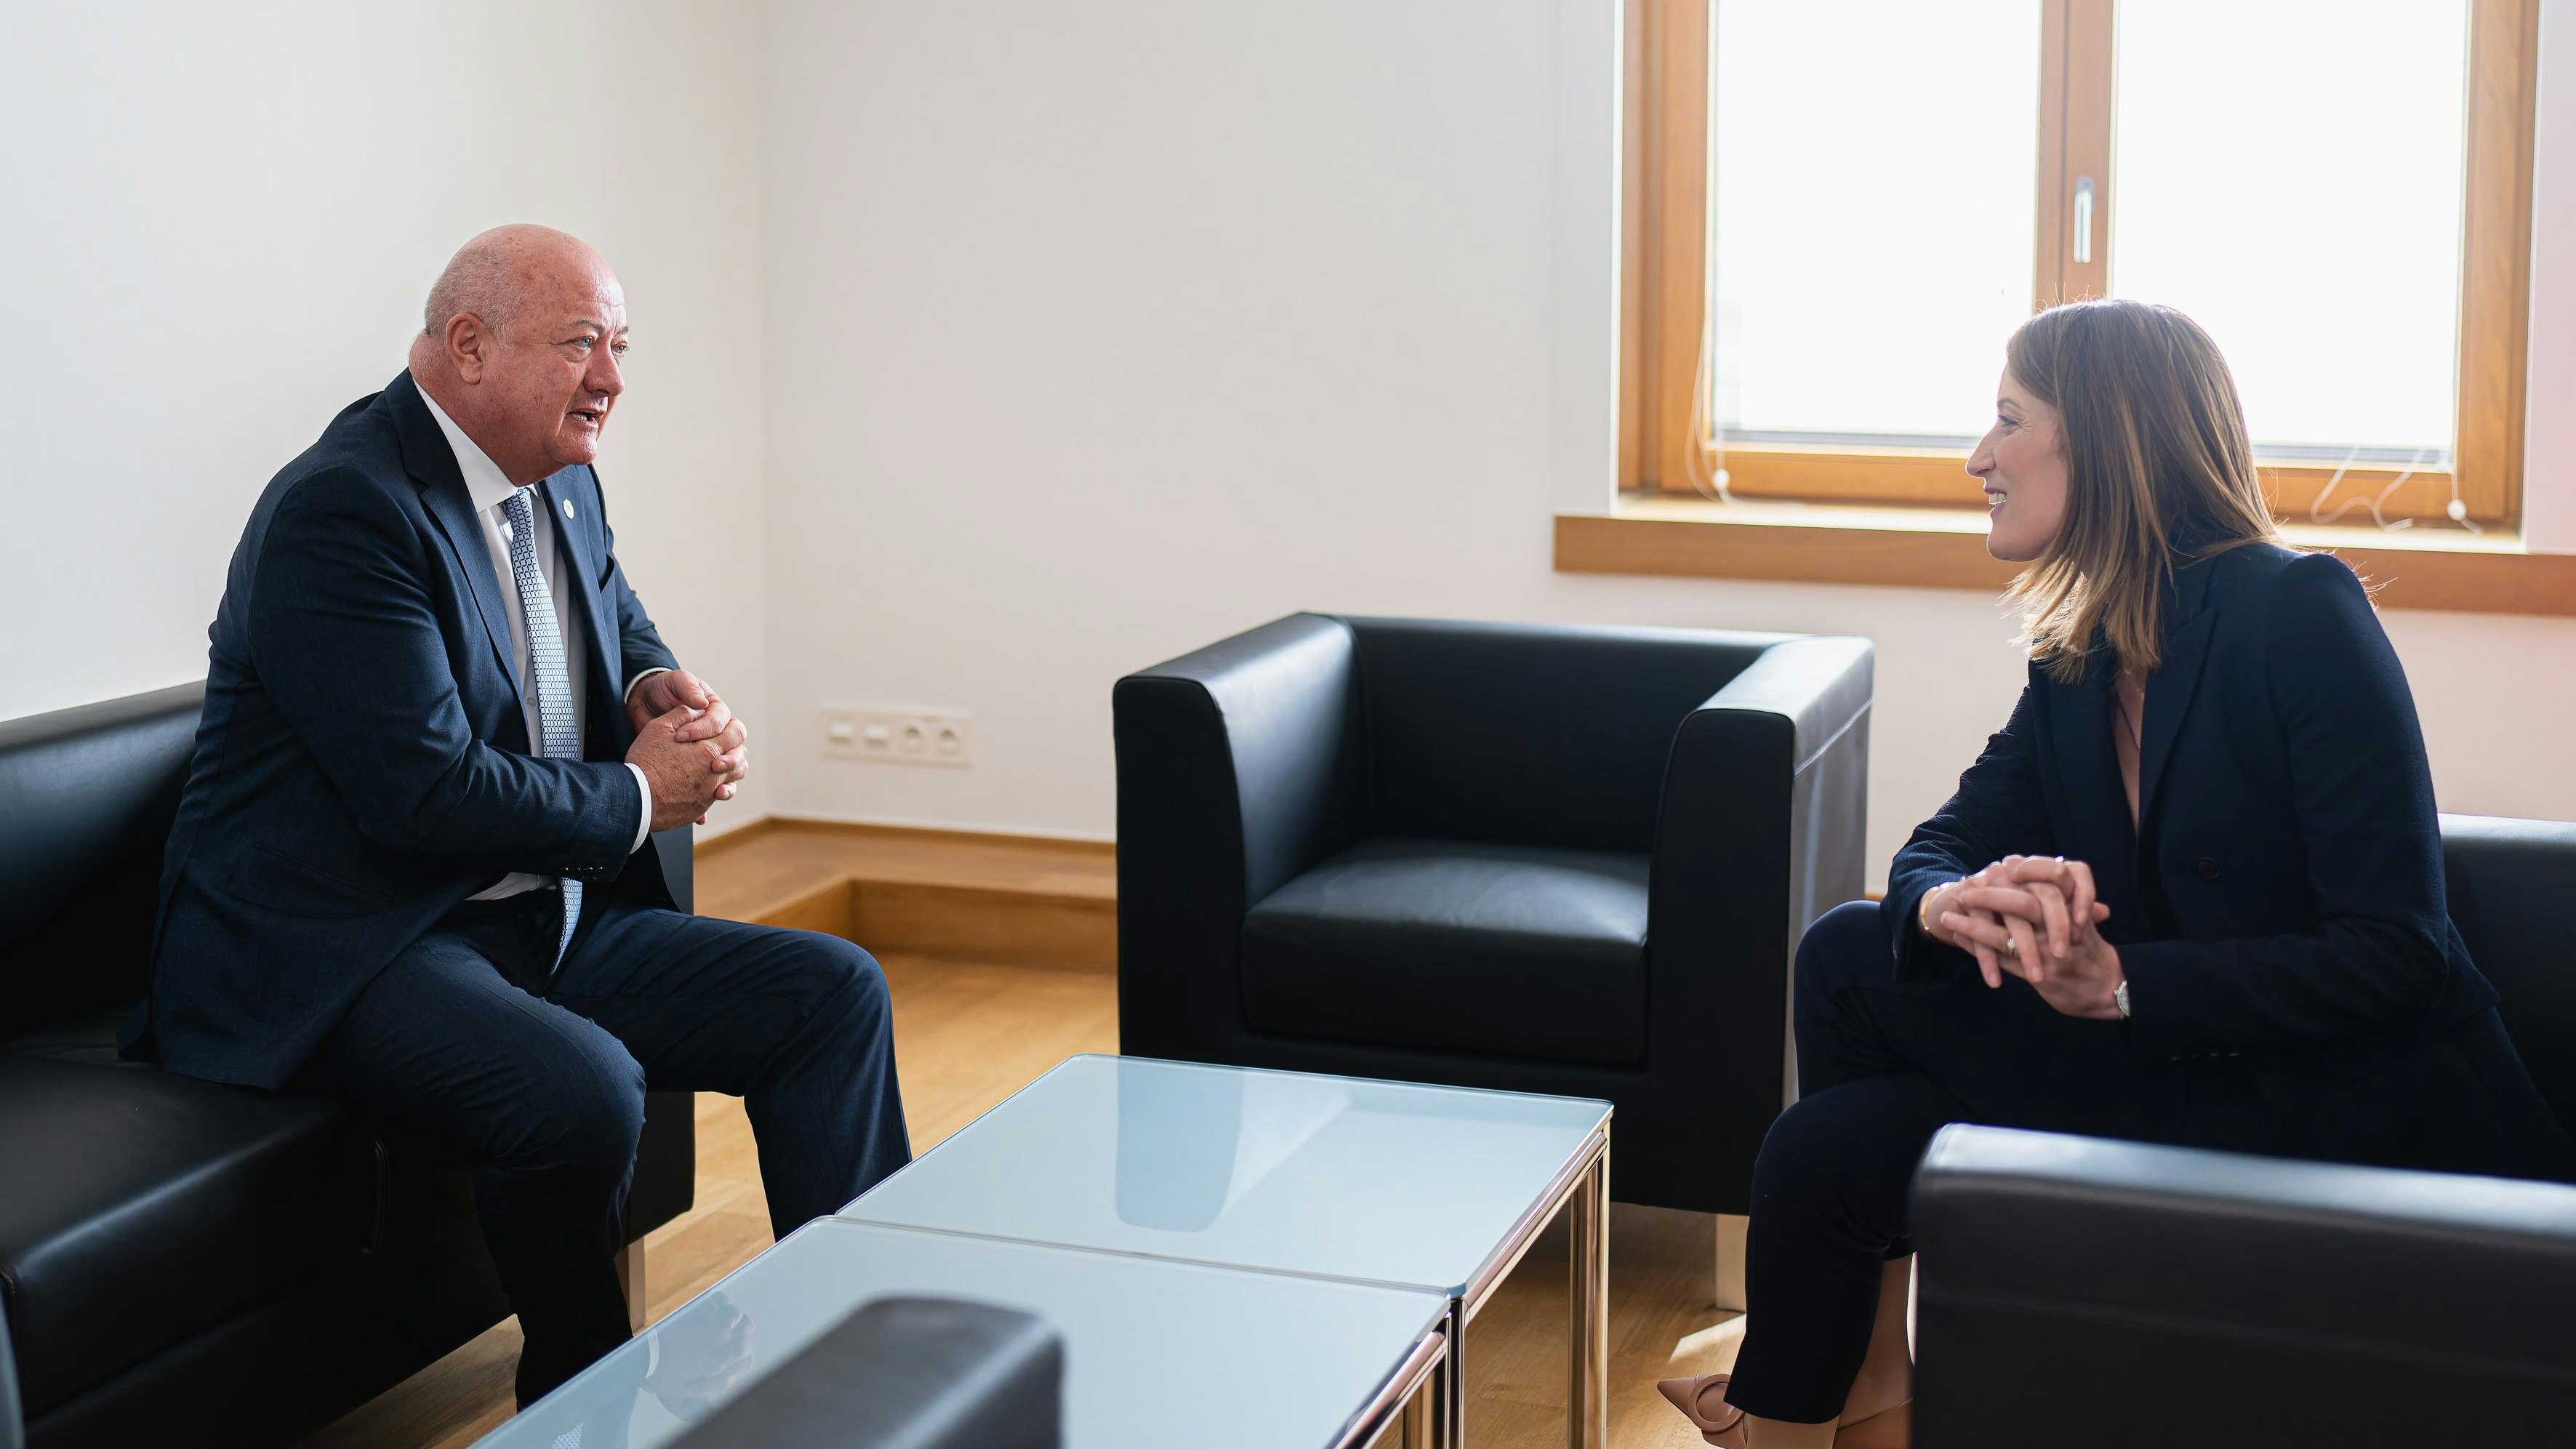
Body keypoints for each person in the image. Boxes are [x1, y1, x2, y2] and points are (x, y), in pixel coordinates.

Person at [1656, 299, 2576, 1448]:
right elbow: (1938, 842)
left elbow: (2400, 950)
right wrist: (1949, 903)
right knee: (1834, 1055)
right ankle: (1869, 1394)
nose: (1978, 458)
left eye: (2006, 420)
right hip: (2173, 1081)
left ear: (2105, 437)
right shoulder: (2078, 659)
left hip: (2326, 1106)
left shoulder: (2300, 613)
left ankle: (1796, 1407)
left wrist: (2124, 984)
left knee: (1838, 1069)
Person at [132, 225, 912, 1403]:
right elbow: (428, 793)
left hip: (525, 917)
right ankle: (582, 1402)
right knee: (581, 1085)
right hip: (356, 940)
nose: (612, 378)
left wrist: (654, 685)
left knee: (833, 995)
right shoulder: (343, 511)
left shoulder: (561, 476)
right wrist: (647, 791)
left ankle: (867, 1363)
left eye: (621, 346)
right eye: (583, 345)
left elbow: (610, 607)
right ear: (468, 346)